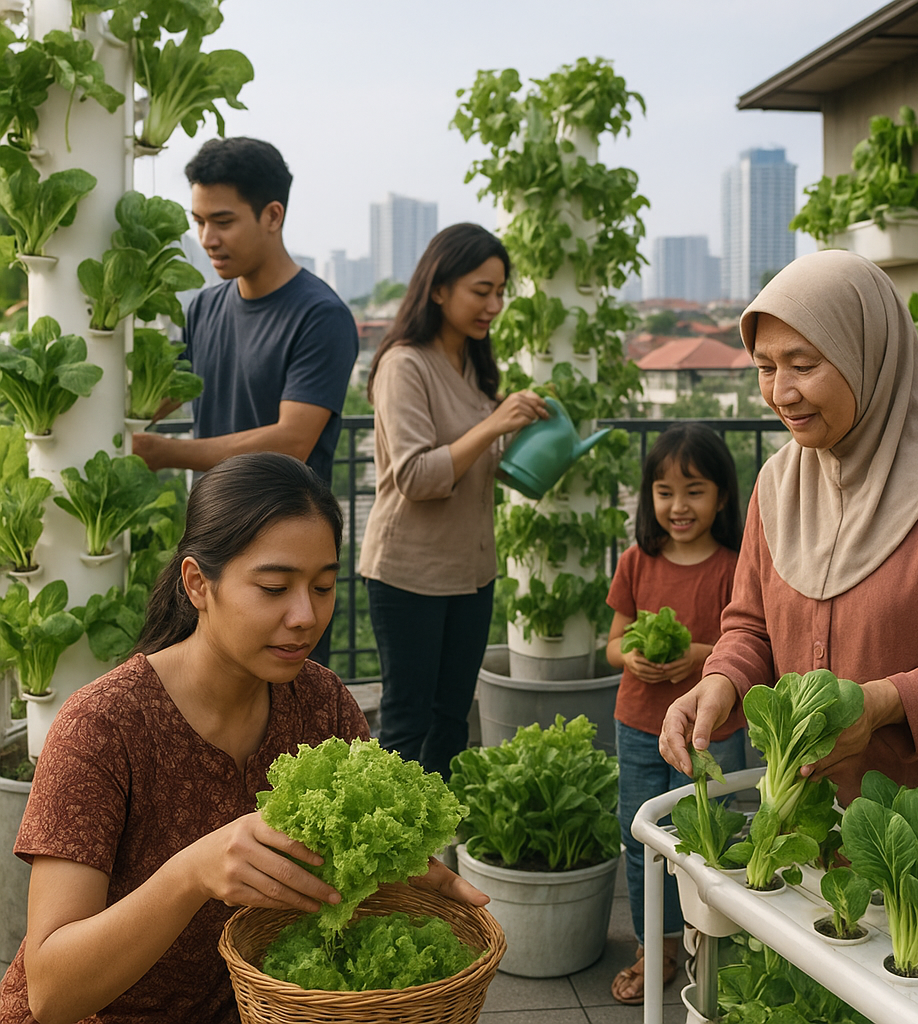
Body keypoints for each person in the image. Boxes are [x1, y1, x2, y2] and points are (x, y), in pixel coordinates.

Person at [0, 453, 487, 1024]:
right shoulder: (101, 727)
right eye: (275, 587)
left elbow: (344, 882)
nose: (305, 615)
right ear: (198, 584)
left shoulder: (322, 702)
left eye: (324, 587)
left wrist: (390, 864)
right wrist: (191, 874)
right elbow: (52, 993)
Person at [658, 249, 918, 907]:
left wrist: (878, 705)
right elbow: (749, 625)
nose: (781, 392)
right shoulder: (779, 482)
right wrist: (718, 683)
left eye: (804, 365)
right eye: (766, 368)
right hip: (816, 827)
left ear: (868, 353)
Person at [132, 137, 358, 666]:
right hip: (214, 547)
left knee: (288, 716)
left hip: (286, 554)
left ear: (272, 214)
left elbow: (292, 439)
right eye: (200, 220)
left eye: (224, 221)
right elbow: (159, 393)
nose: (208, 238)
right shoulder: (205, 307)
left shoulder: (319, 315)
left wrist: (165, 452)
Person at [358, 223, 549, 779]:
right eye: (480, 290)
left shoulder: (473, 365)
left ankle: (431, 851)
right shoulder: (404, 365)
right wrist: (494, 424)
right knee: (407, 721)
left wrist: (529, 439)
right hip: (408, 573)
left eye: (500, 291)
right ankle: (385, 853)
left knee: (450, 721)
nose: (494, 304)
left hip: (470, 572)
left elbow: (479, 464)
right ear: (438, 289)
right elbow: (415, 476)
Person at [606, 424, 745, 1005]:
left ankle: (708, 941)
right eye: (665, 491)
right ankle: (653, 946)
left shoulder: (734, 565)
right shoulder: (638, 559)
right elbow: (611, 644)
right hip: (638, 721)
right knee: (641, 838)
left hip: (713, 728)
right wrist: (632, 656)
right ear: (649, 497)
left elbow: (745, 645)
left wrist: (695, 655)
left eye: (694, 490)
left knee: (711, 838)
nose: (678, 506)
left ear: (721, 497)